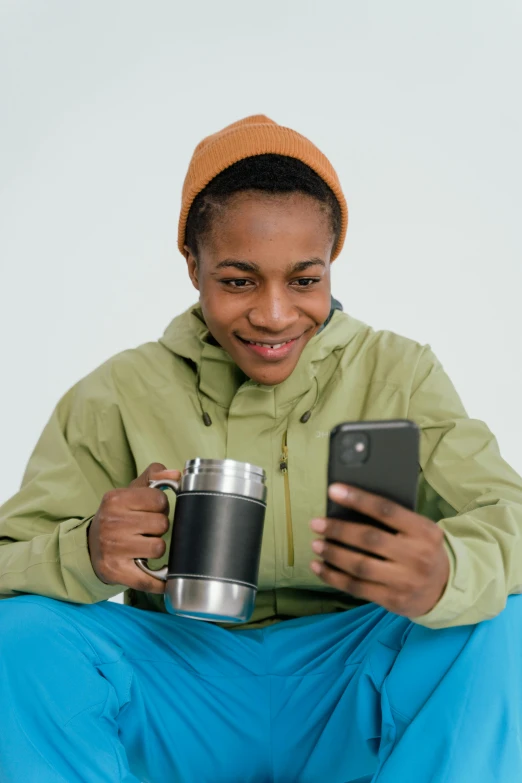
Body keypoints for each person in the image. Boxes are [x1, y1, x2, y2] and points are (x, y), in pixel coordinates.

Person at [1, 114, 522, 783]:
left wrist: (445, 572)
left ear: (330, 265)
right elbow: (9, 560)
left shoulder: (399, 371)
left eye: (304, 280)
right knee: (17, 637)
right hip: (180, 687)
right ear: (193, 265)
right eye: (239, 280)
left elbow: (508, 519)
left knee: (498, 617)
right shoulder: (117, 392)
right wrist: (86, 548)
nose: (275, 315)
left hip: (352, 684)